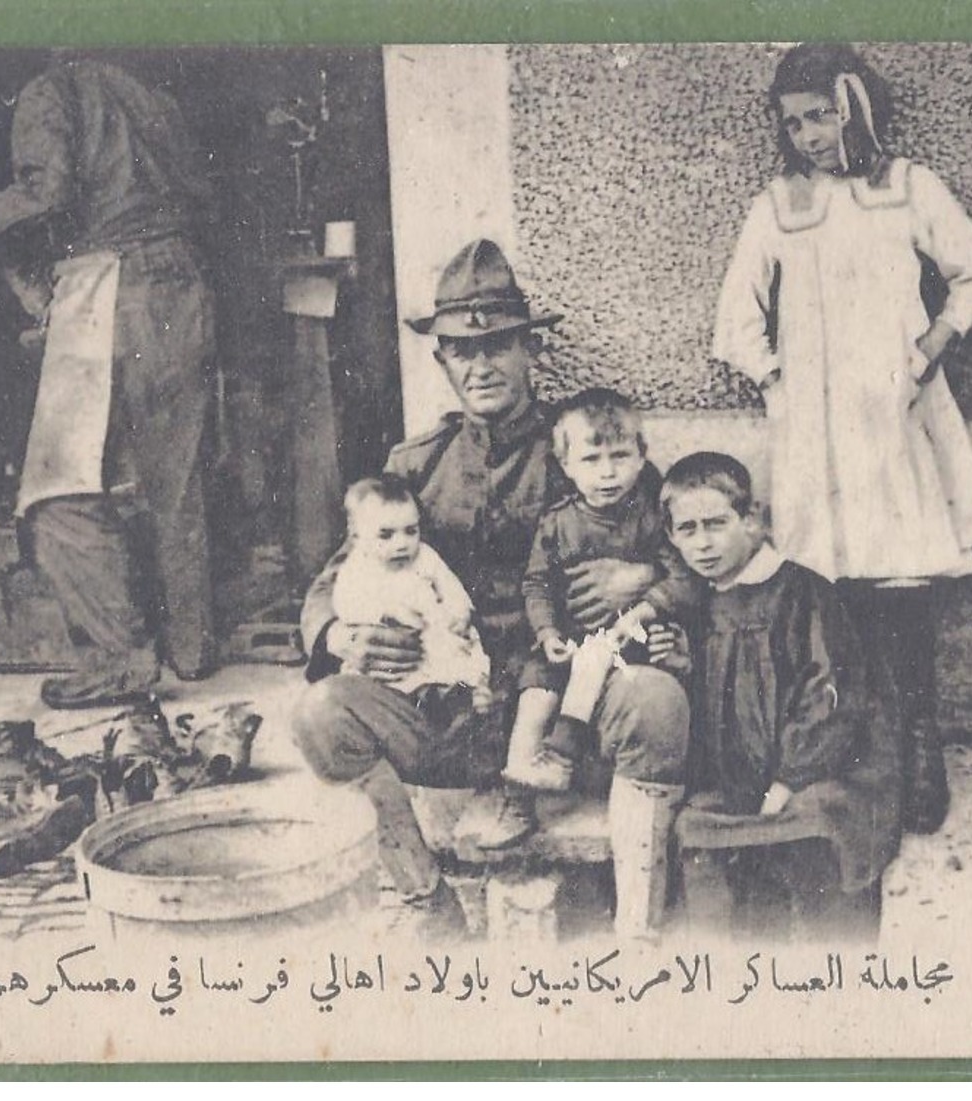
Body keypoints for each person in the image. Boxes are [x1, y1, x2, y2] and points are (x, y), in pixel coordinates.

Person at [291, 239, 691, 940]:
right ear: (442, 359)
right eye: (460, 350)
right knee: (321, 713)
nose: (480, 364)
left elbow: (682, 540)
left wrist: (644, 575)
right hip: (456, 710)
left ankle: (638, 932)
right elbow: (336, 572)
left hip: (568, 710)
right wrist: (338, 633)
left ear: (528, 352)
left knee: (656, 700)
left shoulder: (583, 448)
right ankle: (425, 900)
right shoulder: (416, 463)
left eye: (498, 345)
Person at [711, 43, 972, 835]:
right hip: (816, 437)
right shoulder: (776, 206)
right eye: (795, 123)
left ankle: (920, 755)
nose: (810, 135)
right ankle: (859, 761)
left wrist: (930, 347)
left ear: (856, 106)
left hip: (894, 417)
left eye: (822, 115)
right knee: (831, 606)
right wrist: (782, 383)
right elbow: (734, 324)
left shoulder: (908, 188)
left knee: (902, 600)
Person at [0, 53, 219, 709]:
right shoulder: (149, 91)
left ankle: (117, 657)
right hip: (182, 280)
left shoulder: (48, 90)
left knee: (58, 486)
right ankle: (193, 650)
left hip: (110, 280)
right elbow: (198, 197)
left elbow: (46, 191)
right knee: (177, 473)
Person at [657, 452, 901, 940]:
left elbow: (829, 695)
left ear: (752, 520)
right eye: (687, 529)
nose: (703, 543)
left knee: (818, 829)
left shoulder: (801, 592)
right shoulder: (703, 604)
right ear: (671, 537)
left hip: (823, 770)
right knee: (700, 832)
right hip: (746, 778)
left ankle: (833, 968)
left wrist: (789, 781)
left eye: (716, 524)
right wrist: (687, 669)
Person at [469, 388, 699, 850]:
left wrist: (644, 607)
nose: (608, 472)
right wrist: (548, 632)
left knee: (611, 671)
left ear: (642, 458)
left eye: (620, 456)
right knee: (534, 687)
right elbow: (536, 584)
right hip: (570, 641)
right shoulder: (557, 523)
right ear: (566, 465)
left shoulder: (653, 517)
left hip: (629, 641)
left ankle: (564, 757)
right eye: (592, 459)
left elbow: (685, 580)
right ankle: (518, 798)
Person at [329, 475, 491, 703]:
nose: (402, 543)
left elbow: (449, 585)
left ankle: (465, 691)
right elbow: (345, 603)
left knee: (459, 652)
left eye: (411, 531)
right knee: (366, 683)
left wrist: (460, 611)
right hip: (387, 644)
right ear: (356, 536)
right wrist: (383, 614)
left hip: (430, 631)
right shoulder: (357, 566)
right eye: (386, 535)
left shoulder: (424, 556)